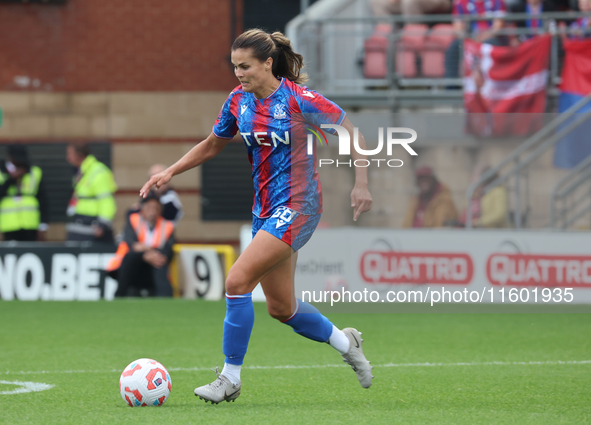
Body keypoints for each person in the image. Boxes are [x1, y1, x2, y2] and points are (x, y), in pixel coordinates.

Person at [140, 29, 374, 404]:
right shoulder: (238, 101)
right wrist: (171, 171)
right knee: (283, 308)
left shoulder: (299, 99)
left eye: (245, 66)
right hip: (264, 210)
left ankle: (229, 378)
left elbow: (352, 132)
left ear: (268, 63)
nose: (239, 74)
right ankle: (348, 342)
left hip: (299, 207)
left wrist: (361, 183)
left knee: (237, 280)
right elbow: (213, 143)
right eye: (234, 67)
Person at [106, 191, 175, 297]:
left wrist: (146, 251)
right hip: (133, 267)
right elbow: (131, 245)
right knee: (132, 256)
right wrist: (145, 255)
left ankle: (165, 297)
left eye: (155, 208)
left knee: (160, 260)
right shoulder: (133, 220)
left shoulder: (167, 226)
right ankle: (120, 295)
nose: (152, 212)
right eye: (149, 208)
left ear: (160, 210)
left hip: (153, 268)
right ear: (142, 209)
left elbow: (168, 251)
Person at [65, 143, 117, 243]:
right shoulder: (81, 171)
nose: (68, 157)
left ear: (79, 154)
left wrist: (102, 224)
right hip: (80, 225)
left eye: (70, 154)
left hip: (93, 229)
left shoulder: (98, 172)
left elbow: (107, 201)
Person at [444, 0, 508, 79]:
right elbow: (457, 28)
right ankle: (452, 87)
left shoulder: (497, 1)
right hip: (468, 38)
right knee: (454, 47)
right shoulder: (461, 2)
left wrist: (482, 37)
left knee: (492, 44)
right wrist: (469, 38)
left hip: (490, 38)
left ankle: (492, 85)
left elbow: (497, 27)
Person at [0, 144, 49, 241]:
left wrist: (43, 225)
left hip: (30, 225)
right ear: (10, 157)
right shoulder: (1, 172)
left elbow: (43, 200)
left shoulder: (34, 172)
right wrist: (11, 180)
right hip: (9, 225)